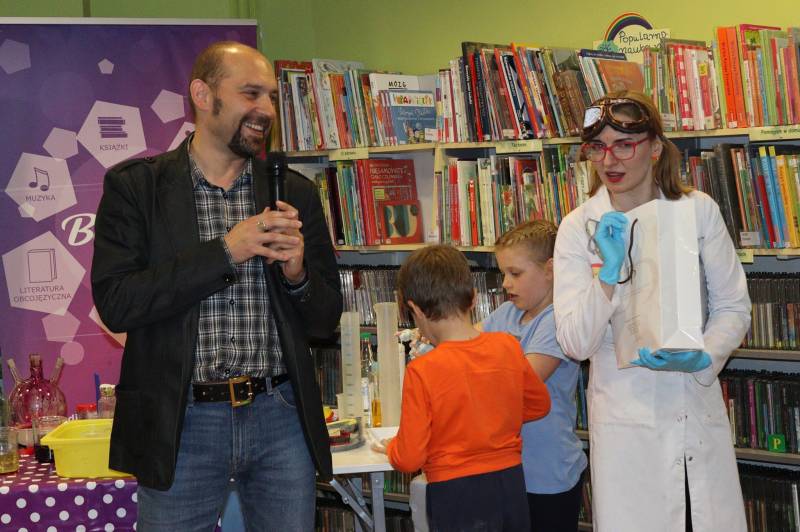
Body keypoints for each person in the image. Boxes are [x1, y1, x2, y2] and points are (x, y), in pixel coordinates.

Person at [91, 41, 342, 530]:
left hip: (280, 415)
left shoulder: (293, 191)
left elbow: (325, 321)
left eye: (271, 97)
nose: (266, 110)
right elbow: (117, 302)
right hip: (181, 422)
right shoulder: (136, 188)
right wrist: (227, 251)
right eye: (251, 93)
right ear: (202, 95)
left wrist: (299, 277)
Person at [552, 91, 750, 532]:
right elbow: (575, 342)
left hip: (695, 415)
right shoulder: (577, 228)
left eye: (624, 145)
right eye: (598, 147)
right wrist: (607, 275)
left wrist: (705, 356)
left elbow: (734, 306)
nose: (609, 160)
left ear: (655, 147)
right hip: (627, 432)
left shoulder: (698, 211)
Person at [374, 244, 551, 531]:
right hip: (511, 485)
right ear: (473, 298)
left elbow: (409, 458)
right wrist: (491, 418)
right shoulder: (507, 346)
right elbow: (539, 405)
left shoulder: (422, 370)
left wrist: (392, 448)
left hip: (455, 494)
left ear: (415, 310)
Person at [481, 220, 587, 532]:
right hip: (509, 471)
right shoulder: (508, 313)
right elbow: (465, 342)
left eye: (515, 273)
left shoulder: (558, 320)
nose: (505, 283)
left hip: (550, 476)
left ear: (550, 269)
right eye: (503, 274)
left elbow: (521, 381)